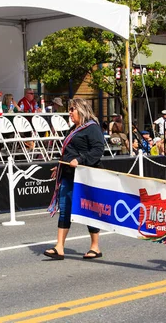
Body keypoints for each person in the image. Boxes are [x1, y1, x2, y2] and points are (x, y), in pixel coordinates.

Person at [44, 98, 105, 260]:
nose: (69, 113)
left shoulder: (92, 128)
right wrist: (60, 166)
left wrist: (80, 160)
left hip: (86, 176)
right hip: (68, 174)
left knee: (89, 209)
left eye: (72, 109)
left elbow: (98, 149)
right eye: (69, 109)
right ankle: (59, 247)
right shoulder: (72, 129)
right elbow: (68, 152)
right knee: (64, 209)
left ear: (81, 110)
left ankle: (95, 246)